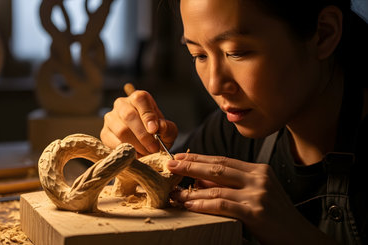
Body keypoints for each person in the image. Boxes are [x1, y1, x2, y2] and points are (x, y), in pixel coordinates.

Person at [100, 0, 368, 244]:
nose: (215, 85)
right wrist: (137, 158)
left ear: (324, 33)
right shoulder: (226, 133)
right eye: (199, 55)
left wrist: (297, 236)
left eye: (237, 52)